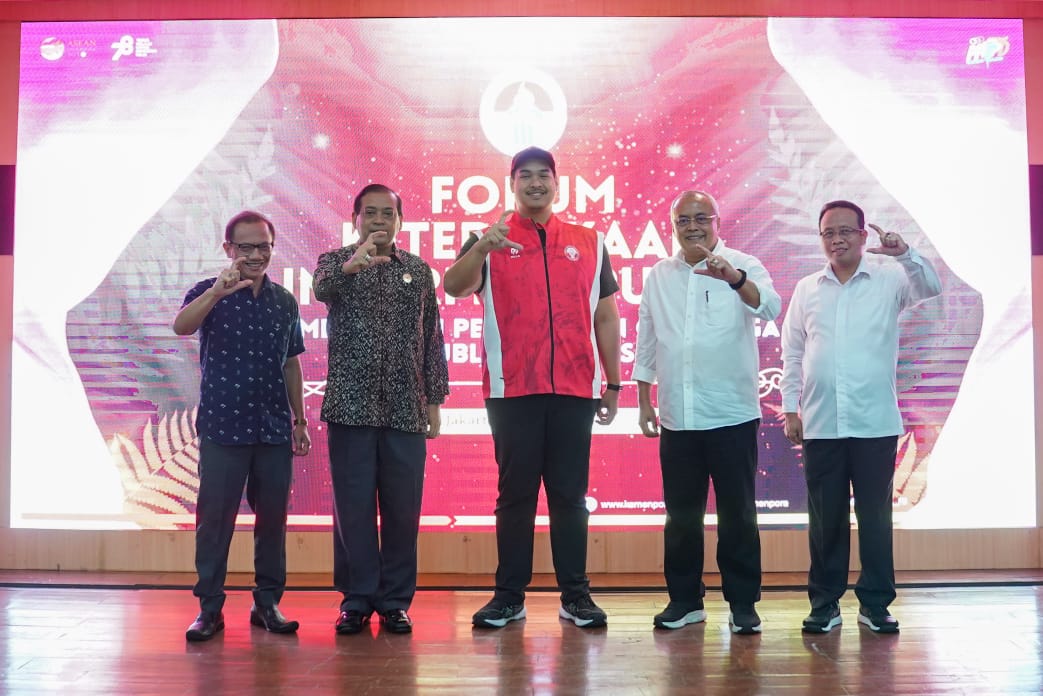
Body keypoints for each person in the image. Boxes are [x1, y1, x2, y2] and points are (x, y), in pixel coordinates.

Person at [443, 146, 621, 629]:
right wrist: (482, 247)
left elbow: (606, 316)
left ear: (557, 184)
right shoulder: (488, 237)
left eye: (544, 175)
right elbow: (454, 287)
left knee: (569, 497)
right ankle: (508, 597)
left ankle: (576, 596)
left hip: (574, 389)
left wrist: (613, 382)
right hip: (512, 390)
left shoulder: (589, 241)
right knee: (515, 496)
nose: (535, 183)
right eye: (525, 175)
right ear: (512, 184)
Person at [781, 200, 942, 634]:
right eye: (828, 233)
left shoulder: (889, 278)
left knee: (874, 519)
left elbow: (930, 287)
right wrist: (790, 406)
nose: (837, 239)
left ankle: (875, 604)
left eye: (845, 231)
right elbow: (792, 351)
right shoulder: (807, 289)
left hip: (874, 423)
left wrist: (905, 253)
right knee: (825, 522)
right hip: (821, 423)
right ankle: (825, 604)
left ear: (863, 235)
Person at [634, 191, 781, 635]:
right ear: (673, 226)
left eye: (701, 218)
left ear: (717, 222)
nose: (692, 227)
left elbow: (769, 306)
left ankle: (743, 604)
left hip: (732, 413)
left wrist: (733, 278)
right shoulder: (660, 275)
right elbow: (647, 336)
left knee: (738, 515)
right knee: (681, 517)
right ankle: (685, 600)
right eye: (683, 220)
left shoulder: (743, 264)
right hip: (678, 415)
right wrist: (644, 398)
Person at [313, 184, 450, 635]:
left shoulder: (418, 271)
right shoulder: (335, 261)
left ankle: (394, 602)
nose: (378, 221)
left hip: (406, 407)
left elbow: (431, 337)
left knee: (402, 510)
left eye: (387, 214)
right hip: (350, 407)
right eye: (369, 213)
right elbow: (322, 290)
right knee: (353, 510)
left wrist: (434, 400)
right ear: (355, 219)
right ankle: (356, 600)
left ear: (399, 220)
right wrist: (352, 266)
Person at [174, 210, 310, 642]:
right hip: (223, 427)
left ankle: (267, 603)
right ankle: (209, 609)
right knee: (214, 522)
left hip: (272, 429)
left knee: (273, 522)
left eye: (263, 247)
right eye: (246, 247)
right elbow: (181, 327)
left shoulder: (284, 301)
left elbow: (291, 363)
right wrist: (217, 293)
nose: (255, 255)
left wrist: (300, 419)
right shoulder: (207, 292)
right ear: (228, 249)